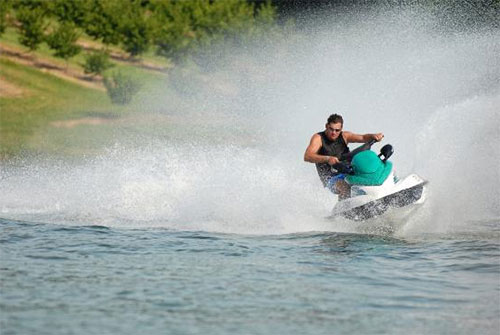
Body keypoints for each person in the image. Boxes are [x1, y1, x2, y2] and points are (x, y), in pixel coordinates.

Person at [304, 113, 384, 199]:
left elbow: (363, 137)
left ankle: (380, 193)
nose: (333, 133)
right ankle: (345, 211)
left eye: (337, 130)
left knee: (371, 173)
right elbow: (308, 156)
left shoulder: (345, 136)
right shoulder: (318, 138)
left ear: (341, 129)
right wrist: (327, 159)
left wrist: (373, 136)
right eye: (331, 129)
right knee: (344, 185)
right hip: (331, 177)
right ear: (326, 126)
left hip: (349, 171)